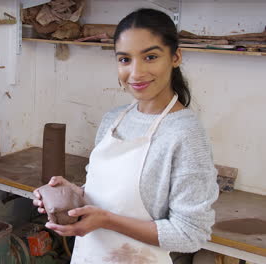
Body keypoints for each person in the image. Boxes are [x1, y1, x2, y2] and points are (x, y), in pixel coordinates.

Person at [33, 8, 219, 264]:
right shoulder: (114, 118)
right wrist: (74, 195)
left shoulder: (185, 134)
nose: (136, 73)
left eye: (150, 57)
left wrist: (107, 221)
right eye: (124, 59)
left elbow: (191, 234)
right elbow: (106, 194)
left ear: (175, 57)